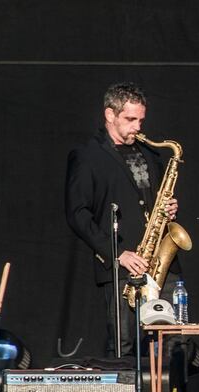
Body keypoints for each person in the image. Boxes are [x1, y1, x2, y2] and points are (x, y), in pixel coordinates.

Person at [65, 82, 179, 357]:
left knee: (173, 344)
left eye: (140, 120)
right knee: (125, 346)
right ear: (109, 115)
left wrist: (169, 208)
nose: (137, 127)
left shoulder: (150, 153)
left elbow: (152, 200)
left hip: (159, 262)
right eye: (130, 119)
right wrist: (117, 253)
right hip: (123, 268)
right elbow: (77, 214)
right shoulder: (87, 156)